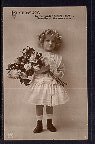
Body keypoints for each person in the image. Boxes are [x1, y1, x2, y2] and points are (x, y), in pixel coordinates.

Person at [25, 29, 69, 133]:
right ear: (42, 42)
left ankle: (49, 123)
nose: (50, 43)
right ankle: (39, 124)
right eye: (47, 40)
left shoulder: (58, 58)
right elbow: (32, 69)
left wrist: (58, 74)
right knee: (39, 103)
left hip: (51, 83)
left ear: (56, 43)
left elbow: (61, 69)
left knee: (50, 103)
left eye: (53, 41)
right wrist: (41, 69)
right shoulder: (36, 56)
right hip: (40, 83)